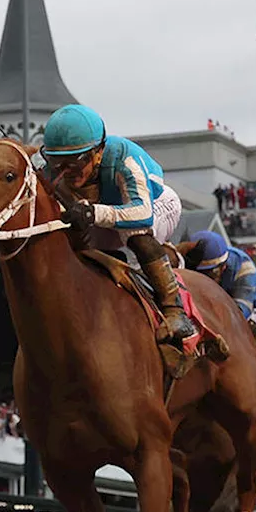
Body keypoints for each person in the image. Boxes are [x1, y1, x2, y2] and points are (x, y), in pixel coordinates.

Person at [42, 104, 196, 344]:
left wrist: (92, 213)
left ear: (98, 152)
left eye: (75, 161)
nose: (65, 171)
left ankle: (174, 310)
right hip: (108, 217)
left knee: (135, 234)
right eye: (56, 161)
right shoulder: (53, 170)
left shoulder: (124, 157)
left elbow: (141, 213)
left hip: (156, 205)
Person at [186, 230, 256, 391]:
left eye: (210, 272)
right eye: (199, 273)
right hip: (214, 309)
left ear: (224, 266)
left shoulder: (243, 264)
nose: (204, 278)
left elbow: (242, 310)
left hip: (253, 310)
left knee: (243, 323)